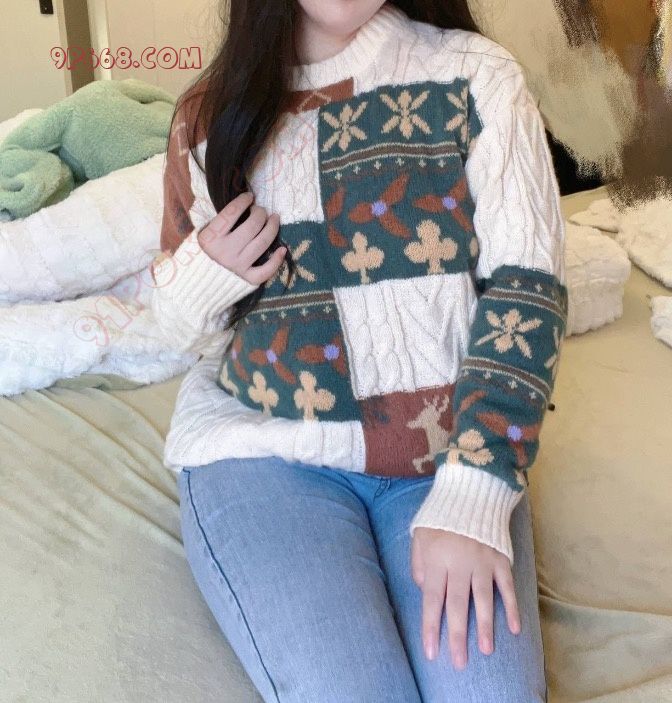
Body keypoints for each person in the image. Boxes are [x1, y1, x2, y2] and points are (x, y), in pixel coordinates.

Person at [150, 1, 568, 700]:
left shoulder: (476, 75)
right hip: (262, 454)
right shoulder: (207, 115)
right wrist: (206, 273)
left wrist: (476, 490)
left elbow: (528, 289)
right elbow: (173, 334)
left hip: (447, 457)